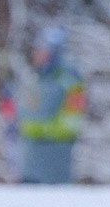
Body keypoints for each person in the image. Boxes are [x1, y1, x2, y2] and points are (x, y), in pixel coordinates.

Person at [5, 25, 87, 185]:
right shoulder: (53, 78)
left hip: (48, 160)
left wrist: (16, 110)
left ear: (52, 53)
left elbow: (39, 111)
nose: (35, 54)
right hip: (40, 158)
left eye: (40, 50)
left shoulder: (58, 81)